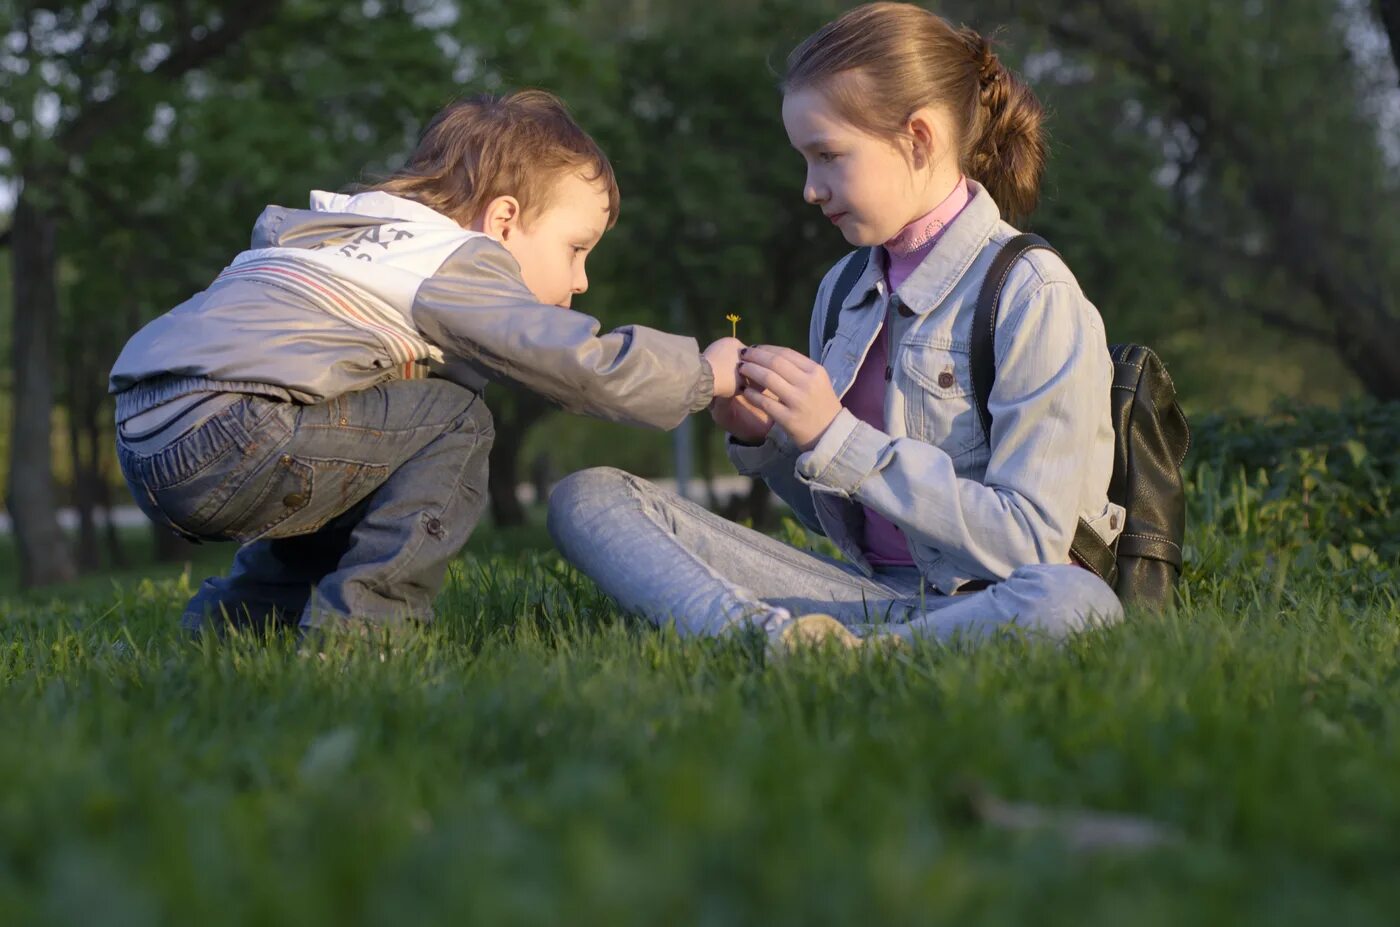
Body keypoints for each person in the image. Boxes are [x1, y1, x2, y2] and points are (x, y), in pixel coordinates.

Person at [547, 3, 1124, 648]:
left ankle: (840, 655)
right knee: (589, 495)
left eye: (827, 155)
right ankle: (767, 640)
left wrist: (836, 435)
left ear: (919, 138)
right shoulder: (843, 288)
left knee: (1076, 601)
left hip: (989, 602)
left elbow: (1032, 545)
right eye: (804, 159)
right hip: (865, 598)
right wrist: (771, 444)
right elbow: (850, 524)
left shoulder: (1030, 292)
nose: (810, 189)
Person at [110, 89, 744, 636]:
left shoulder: (351, 236)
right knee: (459, 421)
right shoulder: (453, 258)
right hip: (239, 433)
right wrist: (703, 375)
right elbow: (573, 362)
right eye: (576, 249)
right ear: (502, 220)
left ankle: (239, 623)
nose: (580, 280)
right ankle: (368, 630)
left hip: (150, 437)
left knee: (379, 452)